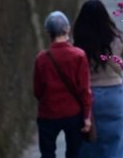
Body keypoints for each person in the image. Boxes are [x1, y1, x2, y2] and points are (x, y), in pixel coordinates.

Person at [73, 0, 123, 158]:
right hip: (113, 96)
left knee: (88, 143)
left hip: (87, 98)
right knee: (115, 143)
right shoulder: (117, 38)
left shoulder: (78, 42)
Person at [33, 11, 93, 158]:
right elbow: (84, 89)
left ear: (49, 32)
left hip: (48, 113)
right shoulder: (78, 55)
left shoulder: (41, 58)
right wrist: (86, 116)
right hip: (73, 113)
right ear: (67, 29)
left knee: (47, 153)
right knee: (73, 153)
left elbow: (37, 90)